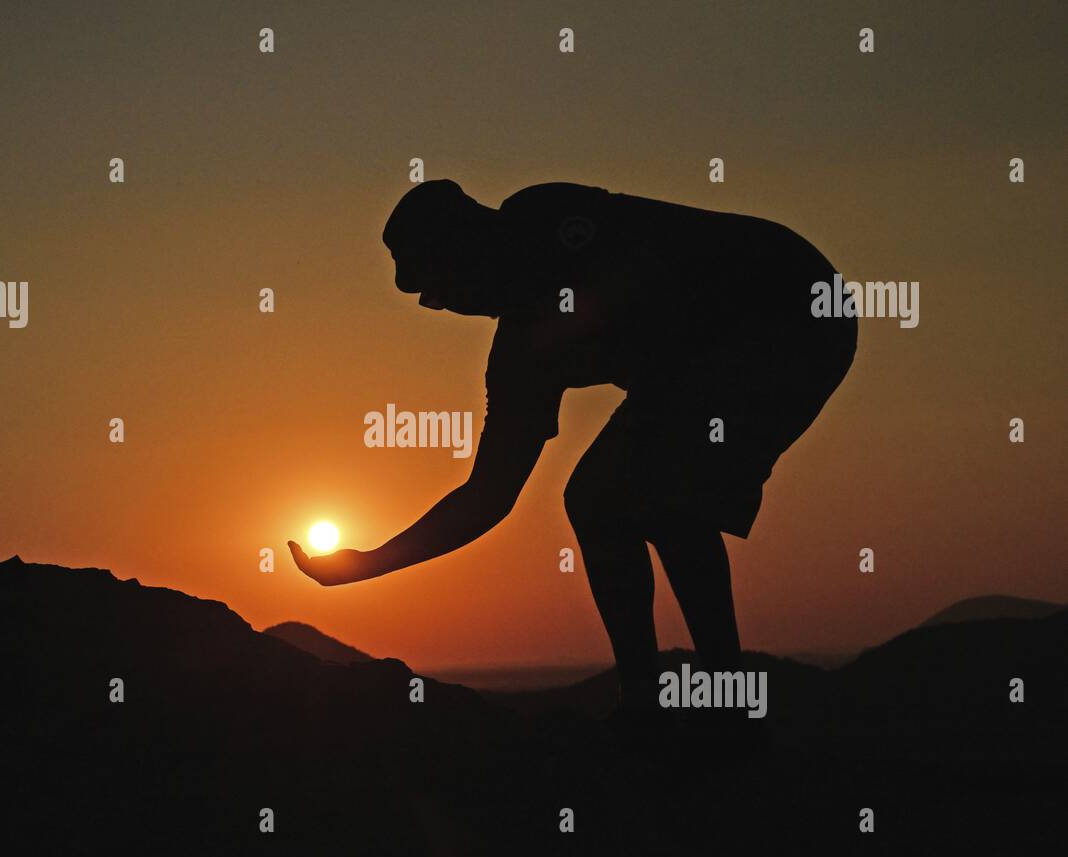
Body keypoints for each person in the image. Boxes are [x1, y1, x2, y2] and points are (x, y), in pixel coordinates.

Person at [289, 179, 856, 718]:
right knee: (606, 498)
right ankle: (654, 702)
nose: (444, 306)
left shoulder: (545, 216)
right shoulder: (520, 355)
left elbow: (643, 274)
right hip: (717, 356)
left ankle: (714, 707)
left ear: (468, 244)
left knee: (649, 494)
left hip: (787, 301)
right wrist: (368, 565)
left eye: (438, 287)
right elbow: (488, 497)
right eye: (431, 300)